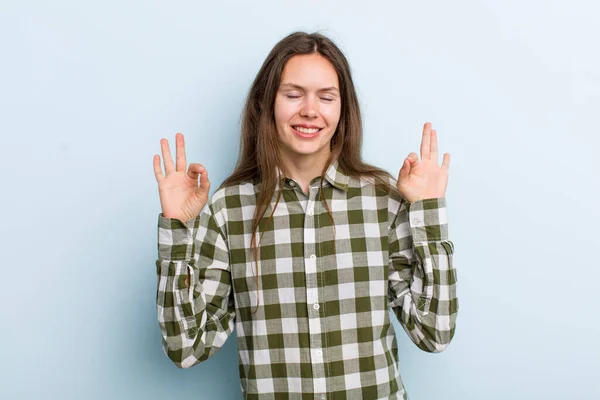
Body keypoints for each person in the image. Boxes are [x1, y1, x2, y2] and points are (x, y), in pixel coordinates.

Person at [153, 31, 458, 400]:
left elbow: (434, 332)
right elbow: (186, 348)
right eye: (293, 94)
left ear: (343, 109)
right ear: (266, 104)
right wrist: (178, 230)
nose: (310, 110)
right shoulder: (228, 208)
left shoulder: (382, 199)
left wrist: (426, 212)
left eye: (326, 97)